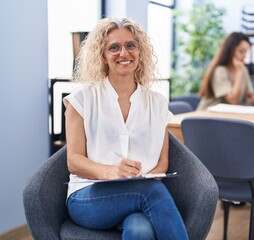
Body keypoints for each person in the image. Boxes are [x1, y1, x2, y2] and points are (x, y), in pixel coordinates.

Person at [64, 17, 188, 240]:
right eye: (114, 47)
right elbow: (74, 161)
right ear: (102, 55)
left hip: (141, 193)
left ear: (140, 52)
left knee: (140, 229)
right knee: (151, 191)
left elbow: (162, 163)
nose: (124, 53)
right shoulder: (81, 100)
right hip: (88, 197)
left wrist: (138, 180)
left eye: (130, 45)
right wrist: (111, 172)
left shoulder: (158, 103)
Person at [196, 32, 254, 110]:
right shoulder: (220, 71)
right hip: (206, 116)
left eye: (246, 51)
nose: (245, 55)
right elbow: (233, 100)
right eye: (241, 51)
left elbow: (252, 96)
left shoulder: (243, 69)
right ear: (230, 51)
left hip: (228, 116)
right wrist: (239, 73)